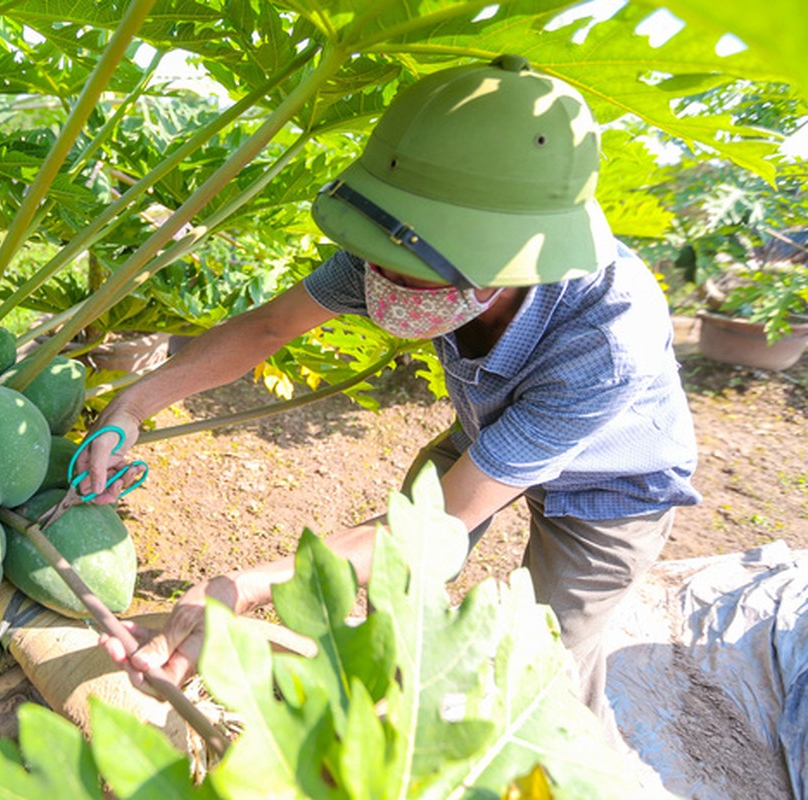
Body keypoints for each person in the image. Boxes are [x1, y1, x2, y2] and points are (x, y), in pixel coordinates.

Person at [80, 54, 701, 731]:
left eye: (410, 276)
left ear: (507, 266)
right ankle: (379, 707)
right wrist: (132, 405)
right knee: (394, 593)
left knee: (543, 663)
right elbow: (266, 327)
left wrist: (244, 586)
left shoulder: (609, 338)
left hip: (611, 488)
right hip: (486, 432)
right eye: (379, 260)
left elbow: (442, 523)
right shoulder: (402, 245)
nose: (381, 281)